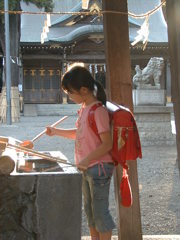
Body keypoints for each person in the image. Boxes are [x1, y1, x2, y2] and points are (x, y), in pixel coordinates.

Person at [46, 63, 115, 240]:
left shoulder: (98, 111)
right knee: (90, 212)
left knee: (100, 213)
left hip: (99, 168)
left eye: (70, 93)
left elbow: (107, 144)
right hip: (87, 167)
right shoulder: (85, 108)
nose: (69, 96)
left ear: (83, 90)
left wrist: (86, 159)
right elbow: (80, 134)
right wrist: (56, 132)